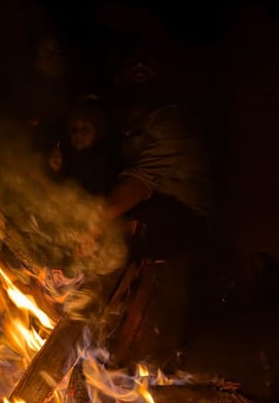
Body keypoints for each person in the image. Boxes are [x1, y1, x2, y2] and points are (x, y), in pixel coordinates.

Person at [98, 41, 215, 368]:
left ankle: (138, 351)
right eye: (131, 64)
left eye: (147, 64)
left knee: (145, 355)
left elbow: (138, 184)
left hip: (180, 231)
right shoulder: (131, 130)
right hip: (153, 228)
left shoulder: (172, 121)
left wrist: (89, 226)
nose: (139, 69)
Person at [47, 94, 120, 196]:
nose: (78, 134)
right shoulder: (66, 154)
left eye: (85, 129)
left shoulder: (104, 161)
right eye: (74, 129)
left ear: (99, 132)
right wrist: (55, 169)